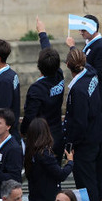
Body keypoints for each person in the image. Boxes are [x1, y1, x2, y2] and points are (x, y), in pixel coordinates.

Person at [62, 47, 102, 201]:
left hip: (85, 144)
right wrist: (73, 47)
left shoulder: (78, 90)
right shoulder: (91, 74)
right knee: (97, 180)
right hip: (98, 136)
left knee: (86, 185)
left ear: (67, 65)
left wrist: (71, 144)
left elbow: (80, 123)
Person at [23, 117, 75, 201]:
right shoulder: (45, 154)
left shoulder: (30, 153)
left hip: (35, 199)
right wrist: (70, 162)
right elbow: (60, 175)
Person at [24, 18, 65, 160]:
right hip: (58, 136)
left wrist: (22, 132)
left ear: (39, 66)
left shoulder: (36, 89)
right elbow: (48, 52)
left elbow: (29, 116)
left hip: (41, 141)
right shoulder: (59, 75)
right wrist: (42, 33)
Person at [67, 14, 102, 109]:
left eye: (83, 30)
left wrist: (72, 48)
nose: (80, 32)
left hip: (96, 94)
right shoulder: (90, 43)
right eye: (80, 29)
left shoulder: (100, 46)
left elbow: (100, 74)